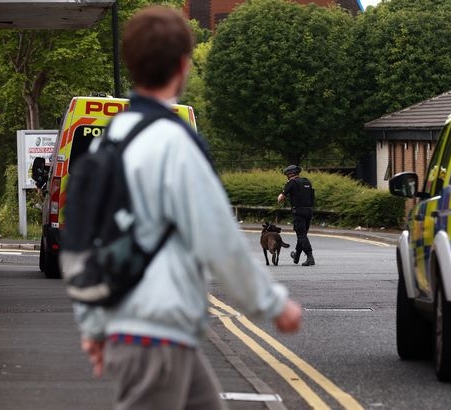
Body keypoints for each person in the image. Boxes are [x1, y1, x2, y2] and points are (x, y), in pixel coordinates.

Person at [75, 6, 302, 410]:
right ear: (183, 65)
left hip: (141, 326)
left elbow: (81, 237)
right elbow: (218, 236)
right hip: (156, 329)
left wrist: (92, 321)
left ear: (131, 65)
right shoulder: (174, 144)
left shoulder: (112, 139)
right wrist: (271, 303)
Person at [277, 165, 316, 266]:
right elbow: (312, 197)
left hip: (298, 211)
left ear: (290, 174)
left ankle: (310, 256)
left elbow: (281, 198)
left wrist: (280, 199)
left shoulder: (291, 183)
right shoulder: (307, 181)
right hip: (309, 211)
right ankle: (297, 255)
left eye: (287, 174)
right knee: (303, 234)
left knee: (301, 235)